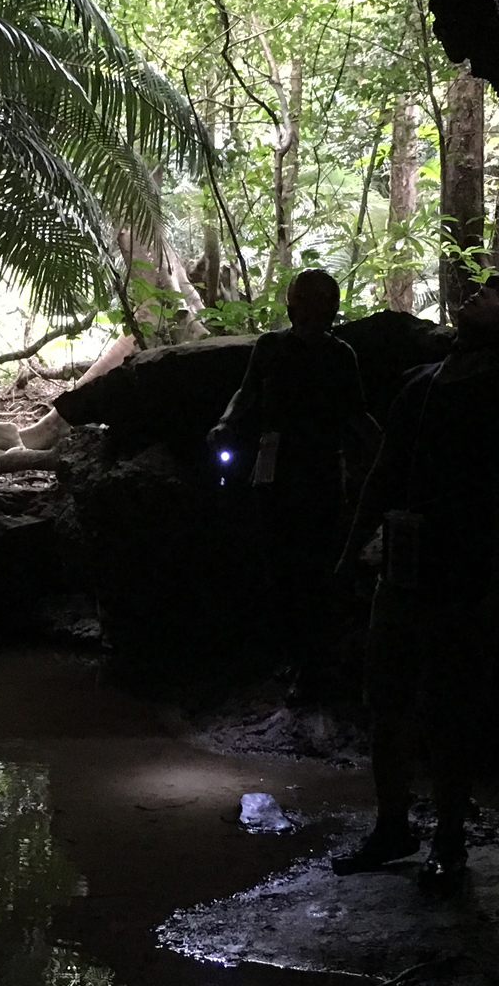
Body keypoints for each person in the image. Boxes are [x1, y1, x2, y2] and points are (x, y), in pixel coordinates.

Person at [329, 260, 499, 892]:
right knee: (387, 700)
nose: (479, 296)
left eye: (496, 297)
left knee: (448, 708)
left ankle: (450, 839)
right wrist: (353, 553)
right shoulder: (416, 385)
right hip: (401, 567)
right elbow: (383, 475)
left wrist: (495, 584)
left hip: (460, 574)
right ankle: (393, 827)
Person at [209, 269, 380, 685]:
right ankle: (289, 653)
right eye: (304, 299)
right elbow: (246, 392)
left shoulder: (341, 356)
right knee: (277, 562)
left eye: (319, 301)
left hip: (320, 468)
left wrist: (386, 448)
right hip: (274, 466)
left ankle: (312, 661)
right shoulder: (270, 348)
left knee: (317, 564)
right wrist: (226, 422)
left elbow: (356, 413)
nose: (309, 308)